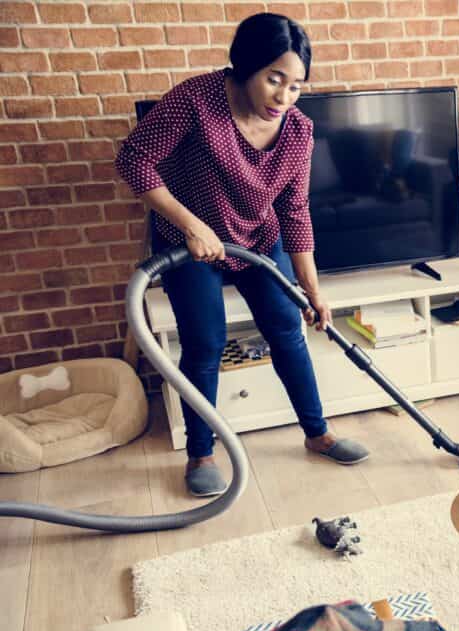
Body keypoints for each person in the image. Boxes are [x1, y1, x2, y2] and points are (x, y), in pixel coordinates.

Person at [116, 13, 369, 497]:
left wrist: (312, 291)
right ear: (245, 66)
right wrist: (191, 224)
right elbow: (133, 158)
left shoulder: (297, 131)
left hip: (256, 238)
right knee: (204, 344)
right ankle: (201, 453)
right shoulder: (196, 100)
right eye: (275, 79)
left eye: (296, 85)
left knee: (286, 329)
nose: (284, 96)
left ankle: (317, 433)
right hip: (189, 243)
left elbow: (295, 211)